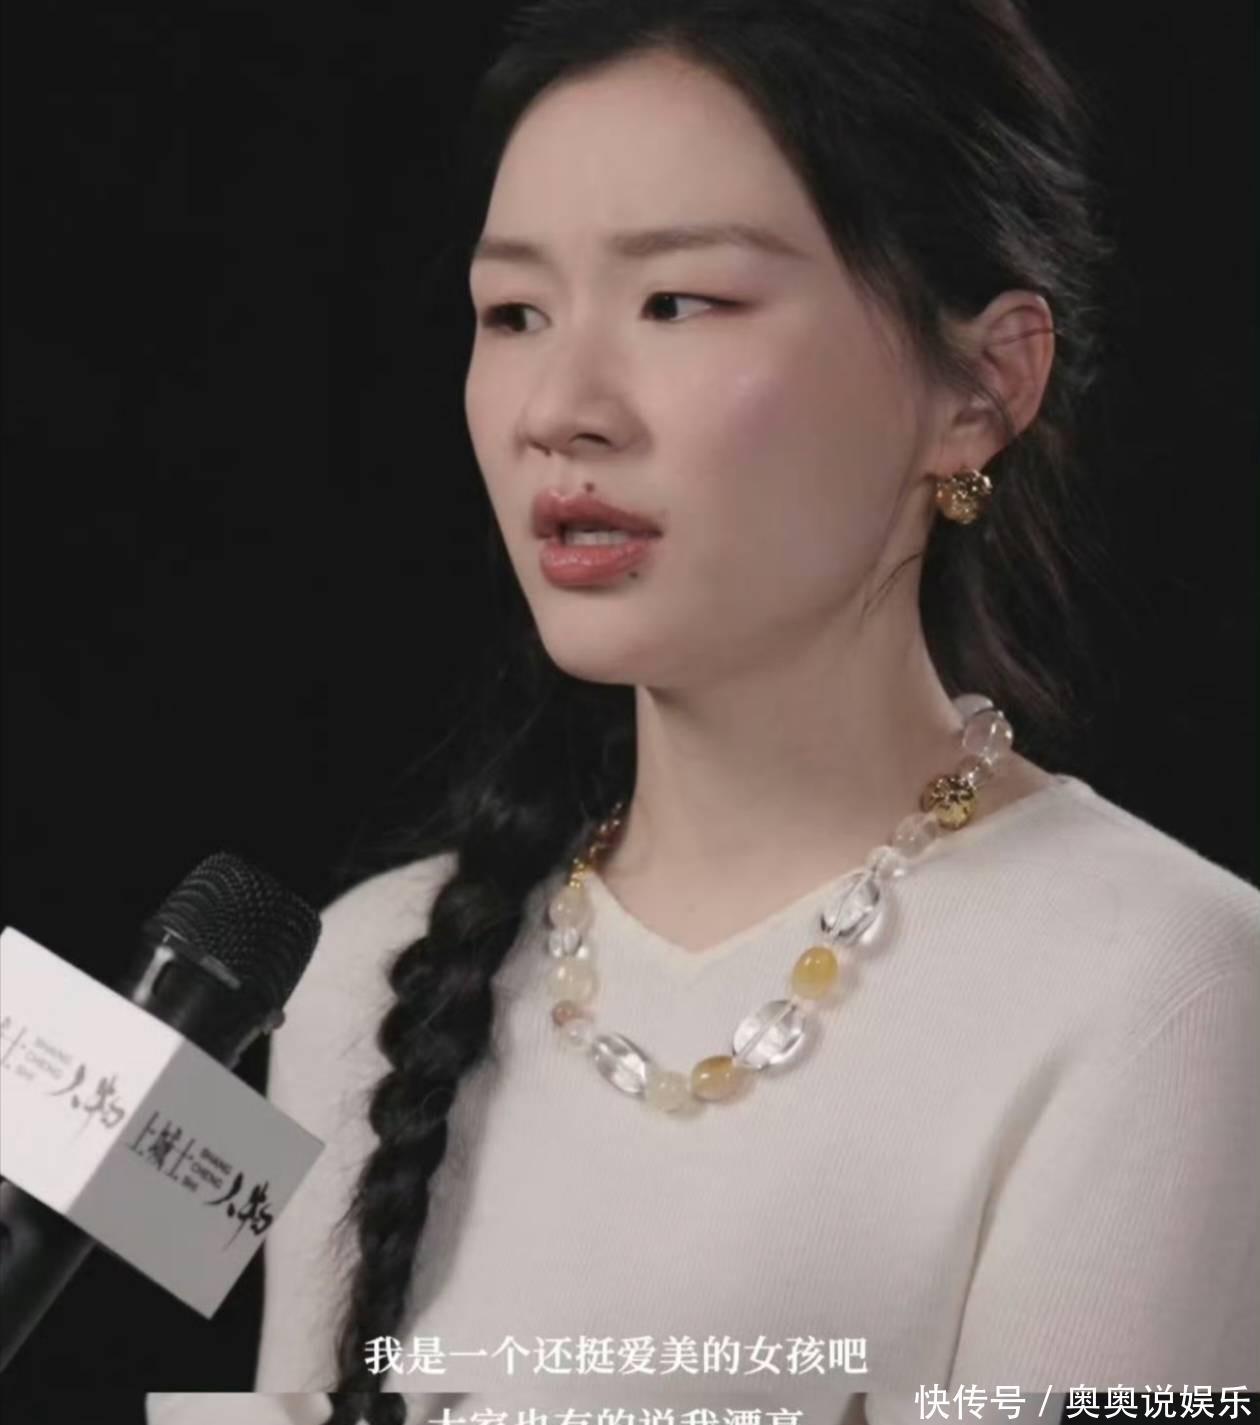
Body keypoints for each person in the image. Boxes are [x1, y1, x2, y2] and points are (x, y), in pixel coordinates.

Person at [147, 1, 1260, 1423]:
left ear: (983, 389)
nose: (561, 406)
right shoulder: (355, 974)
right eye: (514, 313)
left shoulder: (1168, 990)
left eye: (679, 302)